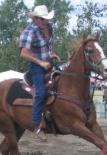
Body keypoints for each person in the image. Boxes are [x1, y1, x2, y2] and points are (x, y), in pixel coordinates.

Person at [19, 5, 60, 141]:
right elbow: (24, 54)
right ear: (36, 19)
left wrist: (53, 53)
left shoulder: (49, 28)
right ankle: (37, 124)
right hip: (36, 67)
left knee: (64, 81)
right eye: (43, 19)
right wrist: (41, 63)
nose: (46, 21)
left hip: (49, 63)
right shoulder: (29, 32)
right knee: (41, 93)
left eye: (46, 19)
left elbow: (51, 43)